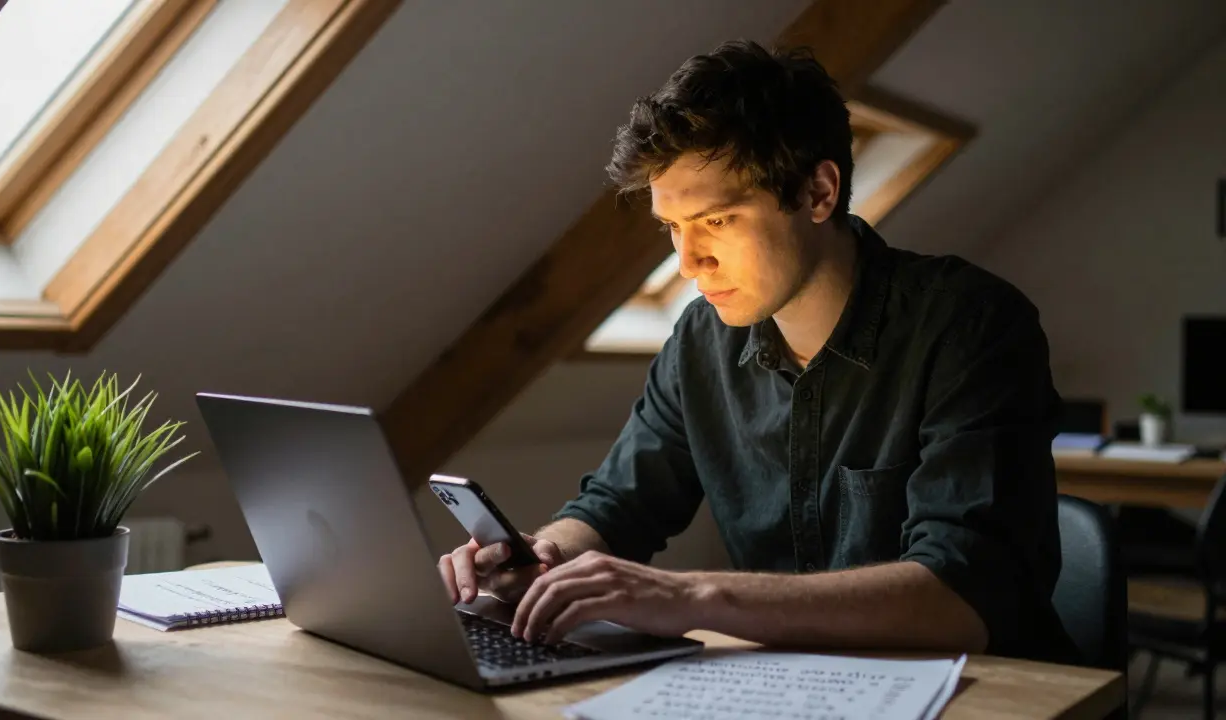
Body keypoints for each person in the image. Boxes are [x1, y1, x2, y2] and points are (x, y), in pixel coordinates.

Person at [437, 39, 1077, 663]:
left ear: (818, 193)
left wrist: (694, 595)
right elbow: (616, 506)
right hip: (800, 688)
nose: (688, 262)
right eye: (672, 229)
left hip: (992, 695)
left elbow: (964, 597)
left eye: (716, 221)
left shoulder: (969, 325)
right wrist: (543, 557)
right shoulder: (700, 339)